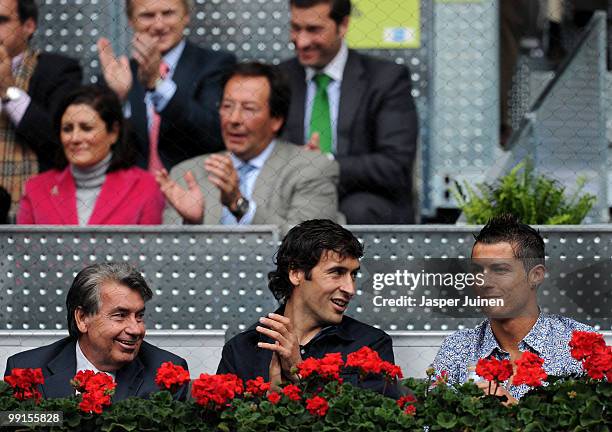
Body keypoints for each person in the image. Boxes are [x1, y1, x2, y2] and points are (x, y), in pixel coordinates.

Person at [217, 219, 396, 394]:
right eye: (336, 272)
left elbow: (376, 421)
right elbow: (221, 422)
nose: (350, 289)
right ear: (296, 273)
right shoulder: (242, 350)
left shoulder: (371, 346)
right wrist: (270, 403)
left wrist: (301, 375)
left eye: (353, 275)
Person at [157, 62, 339, 234]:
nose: (234, 119)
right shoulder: (188, 174)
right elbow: (169, 257)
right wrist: (192, 225)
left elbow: (313, 247)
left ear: (276, 119)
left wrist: (240, 205)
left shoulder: (312, 169)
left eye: (249, 109)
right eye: (227, 106)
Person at [279, 0, 418, 224]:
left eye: (314, 30)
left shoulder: (386, 79)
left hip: (361, 201)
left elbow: (395, 165)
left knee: (357, 210)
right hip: (294, 196)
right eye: (295, 28)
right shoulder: (280, 78)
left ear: (342, 25)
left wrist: (323, 162)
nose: (301, 41)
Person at [433, 214, 595, 401]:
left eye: (500, 270)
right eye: (477, 270)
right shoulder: (457, 348)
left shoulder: (579, 346)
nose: (483, 282)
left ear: (536, 275)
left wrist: (513, 415)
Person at [4, 263, 189, 400]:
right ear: (82, 318)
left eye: (139, 316)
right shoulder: (26, 370)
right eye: (120, 315)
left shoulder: (166, 372)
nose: (136, 329)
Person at [97, 0, 236, 172]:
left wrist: (158, 84)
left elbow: (214, 133)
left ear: (186, 16)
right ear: (131, 21)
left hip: (194, 186)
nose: (159, 25)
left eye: (168, 13)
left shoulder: (215, 65)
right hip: (136, 190)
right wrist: (118, 98)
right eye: (147, 15)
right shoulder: (121, 73)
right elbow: (100, 145)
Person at [17, 85, 164, 224]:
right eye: (67, 129)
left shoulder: (145, 188)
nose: (75, 138)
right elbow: (21, 250)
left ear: (113, 132)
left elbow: (150, 250)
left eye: (86, 128)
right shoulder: (35, 190)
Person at [0, 0, 82, 219]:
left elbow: (60, 142)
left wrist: (10, 92)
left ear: (29, 26)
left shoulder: (58, 71)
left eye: (2, 21)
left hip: (36, 215)